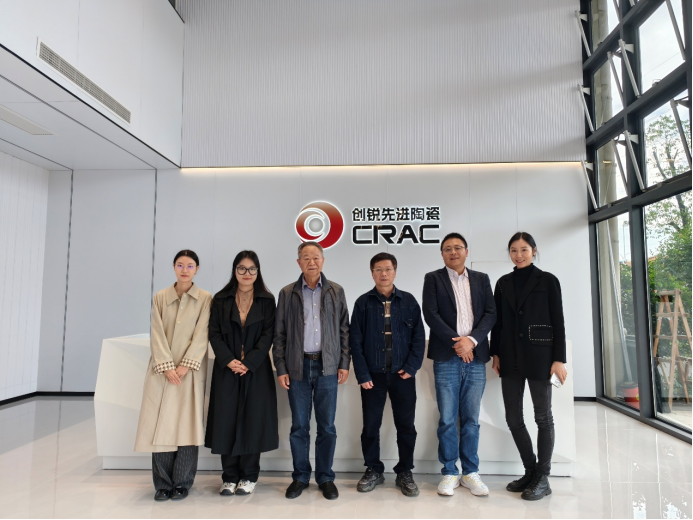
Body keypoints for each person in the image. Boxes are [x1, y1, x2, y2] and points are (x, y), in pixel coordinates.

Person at [490, 232, 567, 501]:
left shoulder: (548, 280)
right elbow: (498, 323)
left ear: (534, 250)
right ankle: (530, 471)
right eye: (514, 250)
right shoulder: (503, 283)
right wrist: (495, 353)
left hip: (540, 357)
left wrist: (558, 359)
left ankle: (543, 477)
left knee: (543, 417)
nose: (519, 255)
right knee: (513, 418)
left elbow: (558, 321)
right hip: (509, 356)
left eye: (524, 249)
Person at [273, 241, 350, 501]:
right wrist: (281, 367)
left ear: (323, 260)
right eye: (306, 257)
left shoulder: (336, 291)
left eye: (316, 257)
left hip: (327, 366)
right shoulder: (287, 293)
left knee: (327, 426)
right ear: (299, 263)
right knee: (299, 426)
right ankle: (300, 477)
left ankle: (325, 477)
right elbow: (279, 334)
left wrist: (344, 363)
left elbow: (344, 330)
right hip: (298, 367)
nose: (311, 262)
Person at [422, 233, 496, 498]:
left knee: (471, 419)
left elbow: (491, 313)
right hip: (447, 356)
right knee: (447, 419)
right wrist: (458, 343)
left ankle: (470, 472)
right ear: (442, 254)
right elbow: (431, 314)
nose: (453, 252)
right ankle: (450, 472)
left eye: (457, 248)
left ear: (466, 251)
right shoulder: (433, 278)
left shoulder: (481, 279)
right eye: (447, 249)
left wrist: (471, 341)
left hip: (475, 357)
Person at [135, 250, 212, 502]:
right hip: (162, 371)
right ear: (173, 267)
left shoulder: (205, 298)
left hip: (189, 372)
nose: (185, 270)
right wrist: (166, 365)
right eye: (180, 265)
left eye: (190, 266)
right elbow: (156, 333)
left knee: (187, 425)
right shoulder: (160, 297)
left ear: (197, 269)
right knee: (161, 426)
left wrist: (186, 364)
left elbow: (202, 333)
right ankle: (162, 484)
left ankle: (182, 482)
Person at [350, 253, 426, 498]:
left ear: (395, 271)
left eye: (388, 269)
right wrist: (362, 374)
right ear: (372, 273)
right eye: (378, 269)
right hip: (373, 377)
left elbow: (418, 338)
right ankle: (373, 469)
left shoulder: (409, 301)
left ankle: (405, 471)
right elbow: (355, 341)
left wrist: (411, 367)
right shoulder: (363, 303)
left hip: (403, 376)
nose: (383, 273)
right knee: (371, 426)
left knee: (406, 426)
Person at [205, 251, 279, 497]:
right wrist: (229, 360)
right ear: (234, 270)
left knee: (252, 421)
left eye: (252, 269)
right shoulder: (221, 299)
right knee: (226, 420)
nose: (247, 274)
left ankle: (249, 476)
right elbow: (214, 333)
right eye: (242, 268)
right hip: (227, 369)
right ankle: (229, 477)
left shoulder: (267, 300)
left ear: (258, 271)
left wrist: (249, 362)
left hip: (255, 370)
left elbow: (269, 335)